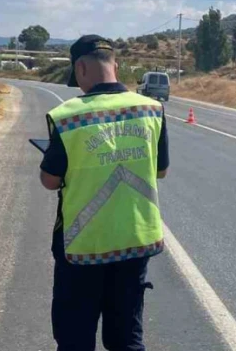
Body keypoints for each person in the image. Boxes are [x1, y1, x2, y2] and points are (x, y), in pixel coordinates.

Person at [40, 35, 170, 351]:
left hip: (83, 245)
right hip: (135, 241)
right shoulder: (152, 109)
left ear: (80, 67)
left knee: (75, 339)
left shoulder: (68, 116)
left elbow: (49, 180)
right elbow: (161, 170)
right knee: (126, 338)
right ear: (115, 65)